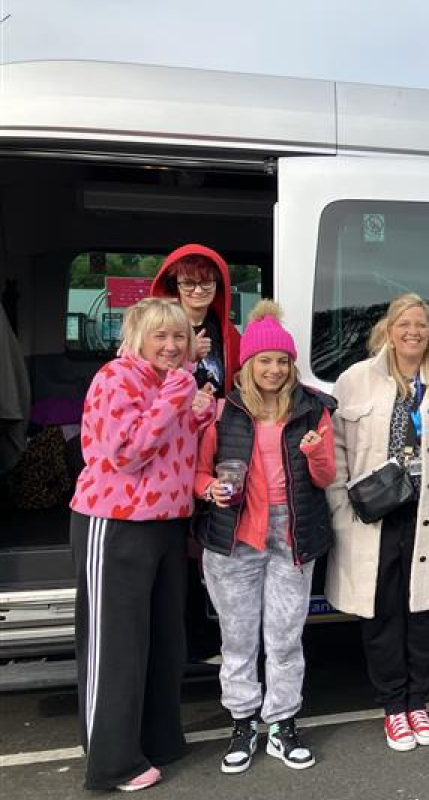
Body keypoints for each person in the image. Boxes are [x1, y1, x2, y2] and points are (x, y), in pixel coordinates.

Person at [325, 294, 429, 752]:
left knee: (425, 615)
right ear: (388, 330)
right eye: (404, 324)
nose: (413, 332)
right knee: (382, 616)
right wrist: (341, 505)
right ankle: (394, 706)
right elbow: (336, 449)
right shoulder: (356, 380)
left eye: (421, 325)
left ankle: (418, 702)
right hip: (375, 519)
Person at [68, 297, 215, 792]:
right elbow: (126, 452)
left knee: (163, 640)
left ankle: (157, 738)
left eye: (179, 336)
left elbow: (175, 447)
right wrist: (178, 397)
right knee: (116, 645)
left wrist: (197, 415)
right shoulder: (117, 377)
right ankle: (111, 762)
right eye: (161, 336)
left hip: (167, 524)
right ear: (137, 337)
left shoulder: (171, 382)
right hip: (116, 522)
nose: (172, 346)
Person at [193, 300, 337, 773]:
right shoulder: (223, 411)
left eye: (282, 361)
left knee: (285, 638)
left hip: (291, 537)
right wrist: (208, 487)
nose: (274, 369)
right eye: (264, 361)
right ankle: (242, 722)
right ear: (249, 365)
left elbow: (325, 476)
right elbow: (197, 472)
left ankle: (282, 723)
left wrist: (315, 454)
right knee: (237, 641)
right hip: (234, 538)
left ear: (292, 366)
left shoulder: (314, 409)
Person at [151, 243, 242, 397]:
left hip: (217, 419)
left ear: (217, 285)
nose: (198, 290)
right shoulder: (153, 329)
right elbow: (144, 380)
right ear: (175, 286)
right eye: (188, 283)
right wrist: (186, 355)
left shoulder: (229, 334)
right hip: (172, 418)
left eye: (206, 282)